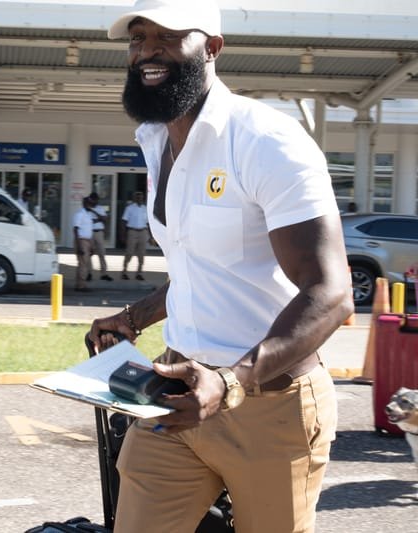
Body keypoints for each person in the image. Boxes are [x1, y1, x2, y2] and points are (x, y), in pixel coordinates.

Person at [87, 1, 354, 531]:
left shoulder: (266, 141)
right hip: (176, 396)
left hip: (271, 408)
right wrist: (134, 317)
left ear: (212, 47)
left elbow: (331, 293)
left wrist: (231, 382)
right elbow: (203, 262)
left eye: (167, 36)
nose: (147, 50)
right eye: (138, 38)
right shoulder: (156, 139)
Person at [120, 190, 149, 280]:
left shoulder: (145, 208)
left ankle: (139, 273)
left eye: (141, 197)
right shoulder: (130, 208)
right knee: (129, 253)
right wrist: (123, 235)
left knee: (141, 254)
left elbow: (148, 223)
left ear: (143, 198)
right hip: (132, 232)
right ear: (134, 198)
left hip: (143, 232)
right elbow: (124, 221)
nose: (139, 198)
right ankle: (124, 271)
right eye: (137, 197)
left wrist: (151, 236)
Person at [86, 192, 112, 281]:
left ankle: (104, 273)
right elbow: (88, 221)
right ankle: (89, 273)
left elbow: (104, 219)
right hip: (90, 233)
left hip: (99, 233)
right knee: (89, 254)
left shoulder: (100, 208)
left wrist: (94, 213)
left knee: (102, 253)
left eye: (96, 199)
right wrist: (98, 219)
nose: (95, 201)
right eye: (93, 199)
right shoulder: (86, 209)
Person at [72, 196, 95, 292]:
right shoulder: (80, 214)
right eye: (89, 203)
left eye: (91, 203)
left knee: (83, 263)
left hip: (88, 240)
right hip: (81, 240)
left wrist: (92, 245)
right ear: (84, 203)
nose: (90, 205)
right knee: (83, 264)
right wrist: (79, 246)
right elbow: (76, 229)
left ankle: (80, 284)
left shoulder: (88, 214)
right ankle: (81, 285)